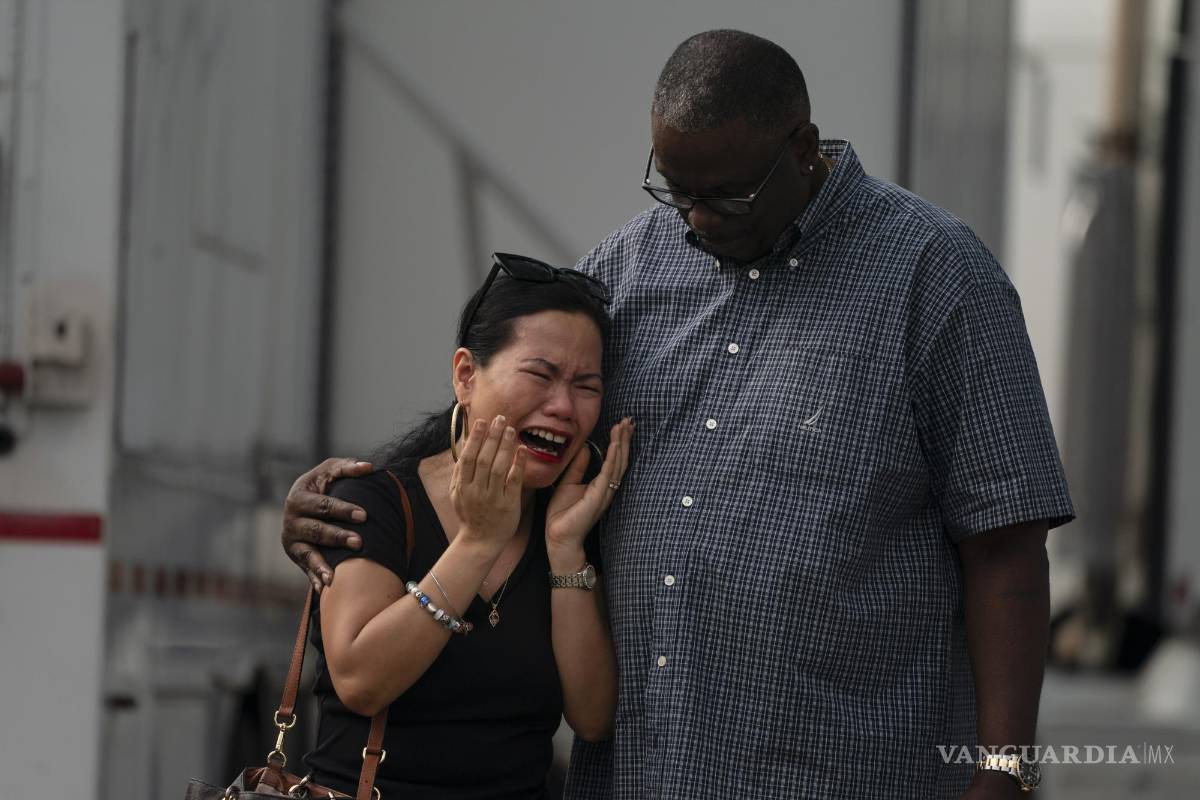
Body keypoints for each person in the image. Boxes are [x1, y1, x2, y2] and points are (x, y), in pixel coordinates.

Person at [283, 30, 1073, 800]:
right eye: (675, 189)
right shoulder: (627, 269)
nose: (694, 218)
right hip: (642, 775)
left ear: (802, 146)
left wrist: (1000, 772)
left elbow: (1007, 548)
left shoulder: (936, 276)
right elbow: (526, 428)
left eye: (724, 194)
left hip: (844, 770)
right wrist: (360, 496)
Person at [298, 251, 634, 799]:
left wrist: (566, 548)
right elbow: (361, 680)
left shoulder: (571, 525)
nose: (563, 407)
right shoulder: (374, 502)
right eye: (540, 375)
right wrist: (479, 540)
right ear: (466, 376)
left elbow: (593, 719)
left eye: (587, 386)